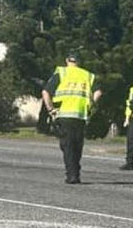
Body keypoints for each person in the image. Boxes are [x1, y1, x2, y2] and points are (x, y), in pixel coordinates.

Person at [41, 53, 102, 184]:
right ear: (79, 62)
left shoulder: (61, 73)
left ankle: (72, 175)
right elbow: (98, 92)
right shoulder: (87, 75)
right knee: (77, 145)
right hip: (80, 115)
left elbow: (45, 92)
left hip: (64, 114)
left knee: (67, 146)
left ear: (67, 60)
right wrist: (90, 105)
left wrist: (50, 109)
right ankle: (76, 172)